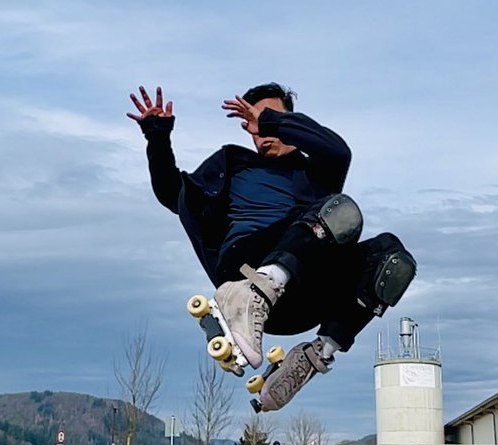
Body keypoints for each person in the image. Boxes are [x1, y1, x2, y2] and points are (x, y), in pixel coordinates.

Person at [128, 81, 416, 413]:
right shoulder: (232, 165)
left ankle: (315, 355)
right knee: (336, 211)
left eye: (268, 119)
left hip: (301, 298)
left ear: (291, 122)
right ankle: (256, 290)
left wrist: (270, 120)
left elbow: (340, 152)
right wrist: (157, 137)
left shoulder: (316, 173)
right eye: (253, 124)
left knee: (390, 256)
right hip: (245, 266)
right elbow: (171, 193)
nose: (262, 131)